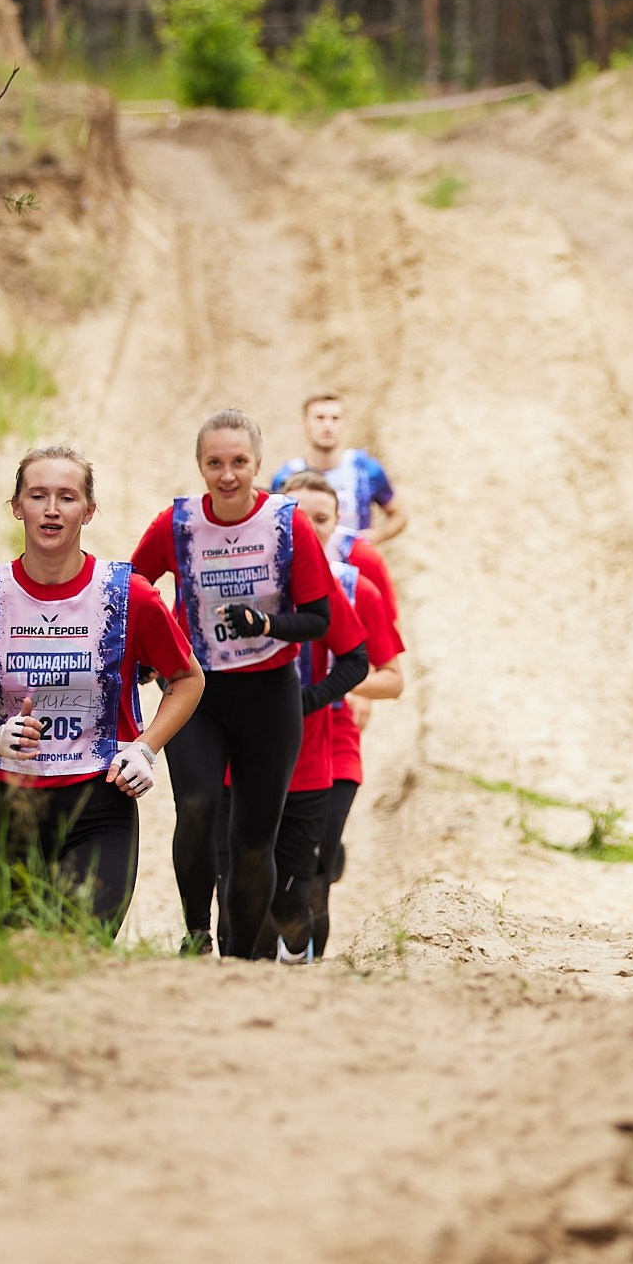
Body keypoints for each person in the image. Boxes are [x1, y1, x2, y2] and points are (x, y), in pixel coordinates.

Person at [0, 445, 206, 935]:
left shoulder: (128, 595)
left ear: (89, 511)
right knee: (9, 965)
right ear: (17, 507)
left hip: (99, 802)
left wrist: (146, 748)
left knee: (78, 948)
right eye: (38, 495)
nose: (52, 509)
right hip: (7, 807)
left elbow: (188, 680)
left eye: (67, 497)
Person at [131, 409, 338, 960]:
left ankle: (243, 958)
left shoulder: (285, 523)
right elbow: (133, 590)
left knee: (252, 844)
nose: (228, 475)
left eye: (239, 462)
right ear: (200, 465)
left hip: (270, 696)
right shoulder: (175, 525)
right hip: (196, 692)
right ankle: (196, 933)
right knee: (196, 809)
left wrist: (266, 623)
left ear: (258, 464)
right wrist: (153, 653)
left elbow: (319, 619)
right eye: (215, 463)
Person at [280, 471, 407, 962]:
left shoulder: (357, 578)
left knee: (313, 868)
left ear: (340, 524)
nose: (309, 530)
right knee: (254, 859)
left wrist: (349, 688)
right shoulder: (248, 579)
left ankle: (304, 962)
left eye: (321, 519)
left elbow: (388, 670)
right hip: (264, 737)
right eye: (297, 518)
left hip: (333, 736)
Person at [270, 392, 407, 546]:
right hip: (307, 562)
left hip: (355, 563)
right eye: (320, 418)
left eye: (335, 418)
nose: (327, 426)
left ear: (344, 424)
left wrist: (378, 536)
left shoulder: (365, 469)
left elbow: (398, 515)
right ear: (304, 423)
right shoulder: (286, 476)